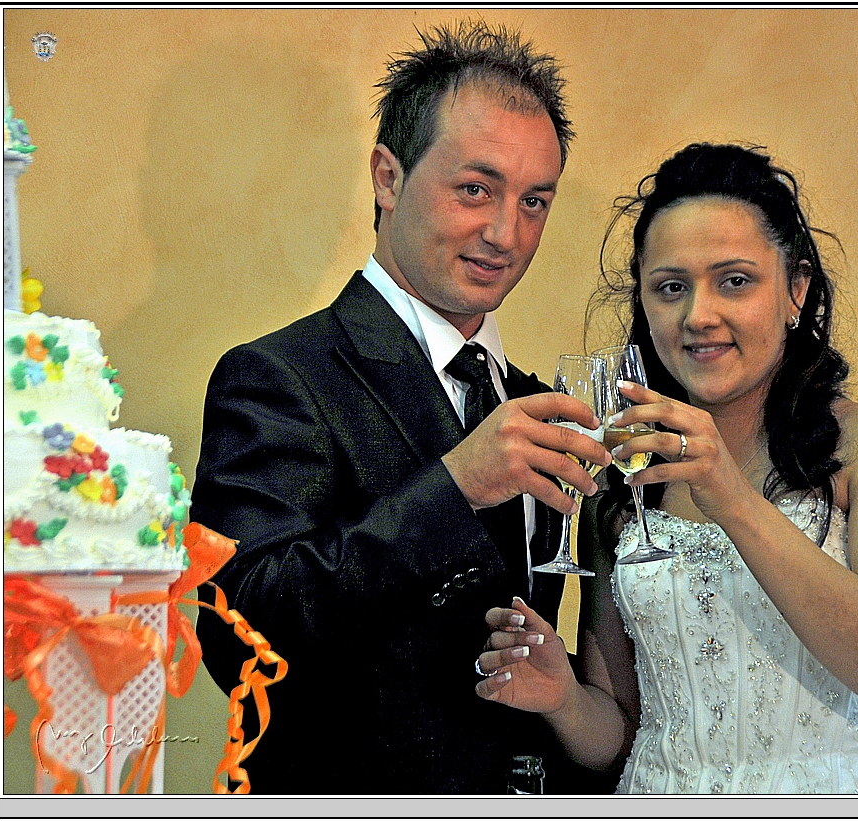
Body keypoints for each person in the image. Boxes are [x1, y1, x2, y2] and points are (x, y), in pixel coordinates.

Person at [191, 20, 612, 794]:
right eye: (476, 189)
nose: (505, 233)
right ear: (388, 178)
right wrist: (454, 487)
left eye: (534, 201)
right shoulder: (278, 375)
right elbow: (237, 635)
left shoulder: (530, 402)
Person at [474, 143, 858, 793]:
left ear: (795, 289)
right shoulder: (623, 474)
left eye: (734, 281)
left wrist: (732, 496)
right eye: (671, 288)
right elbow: (625, 731)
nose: (699, 316)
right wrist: (562, 698)